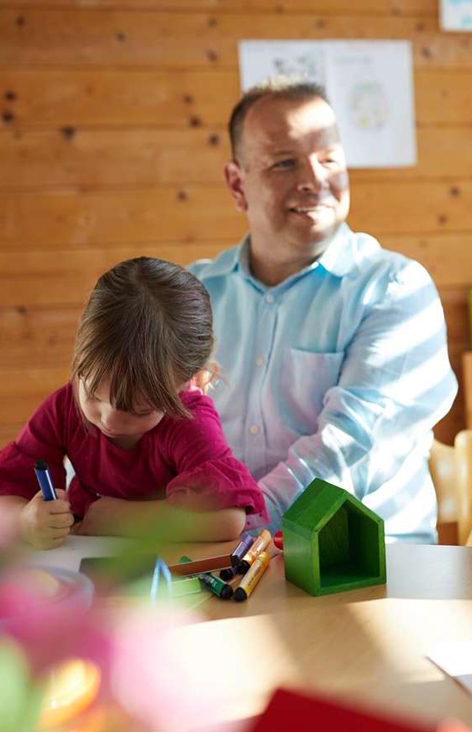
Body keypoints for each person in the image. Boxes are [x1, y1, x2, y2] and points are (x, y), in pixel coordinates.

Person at [189, 78, 457, 539]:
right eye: (285, 163)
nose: (315, 180)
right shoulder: (192, 294)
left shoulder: (395, 289)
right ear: (237, 185)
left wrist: (238, 522)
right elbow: (136, 420)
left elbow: (350, 449)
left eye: (329, 159)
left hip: (364, 563)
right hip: (216, 556)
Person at [0, 258, 267, 549]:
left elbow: (228, 519)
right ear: (81, 360)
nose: (109, 419)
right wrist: (25, 522)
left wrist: (118, 518)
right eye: (92, 393)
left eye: (138, 410)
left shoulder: (188, 421)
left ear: (189, 382)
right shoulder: (64, 406)